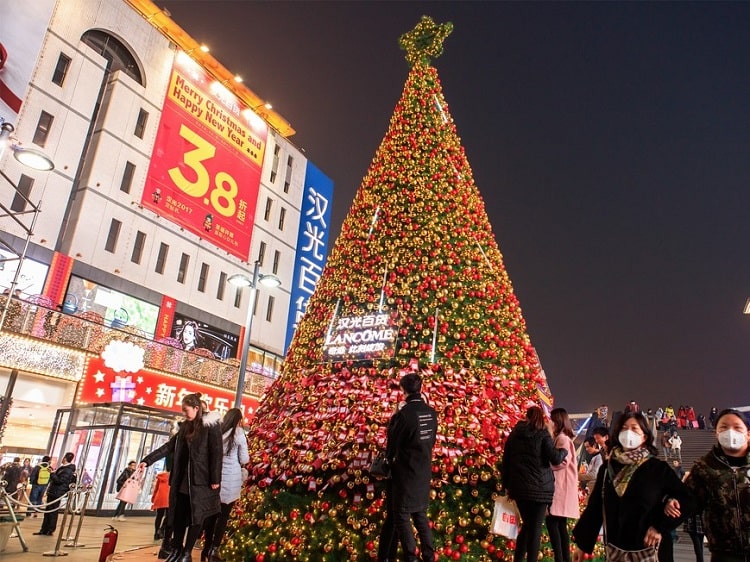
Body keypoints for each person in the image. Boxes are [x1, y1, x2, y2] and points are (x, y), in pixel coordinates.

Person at [571, 412, 694, 562]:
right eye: (624, 428)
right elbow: (595, 507)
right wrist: (583, 545)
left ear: (644, 437)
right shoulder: (607, 469)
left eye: (634, 429)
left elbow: (687, 499)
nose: (628, 432)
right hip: (616, 551)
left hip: (650, 550)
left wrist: (660, 525)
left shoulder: (657, 469)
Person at [140, 393, 222, 562]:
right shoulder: (185, 427)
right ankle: (176, 550)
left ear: (196, 408)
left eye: (186, 410)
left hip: (201, 481)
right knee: (177, 517)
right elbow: (169, 447)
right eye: (182, 410)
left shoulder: (210, 426)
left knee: (196, 517)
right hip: (181, 481)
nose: (184, 413)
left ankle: (186, 552)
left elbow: (216, 453)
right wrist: (147, 461)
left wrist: (215, 479)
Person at [378, 373, 437, 562]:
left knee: (401, 515)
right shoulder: (431, 413)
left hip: (405, 475)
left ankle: (411, 556)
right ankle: (428, 555)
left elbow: (392, 445)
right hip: (423, 472)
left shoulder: (404, 416)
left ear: (403, 390)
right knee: (420, 515)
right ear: (421, 388)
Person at [680, 408, 750, 561]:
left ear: (748, 433)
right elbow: (686, 503)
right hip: (724, 554)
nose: (730, 432)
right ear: (716, 434)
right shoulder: (703, 468)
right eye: (724, 427)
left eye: (737, 427)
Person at [502, 406, 568, 562]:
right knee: (535, 527)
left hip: (519, 490)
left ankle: (518, 559)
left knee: (527, 525)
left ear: (527, 417)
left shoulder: (515, 435)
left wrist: (507, 485)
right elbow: (556, 458)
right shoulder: (543, 434)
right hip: (540, 490)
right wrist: (564, 450)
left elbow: (506, 461)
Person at [201, 408, 250, 562]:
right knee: (223, 517)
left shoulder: (218, 432)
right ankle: (214, 550)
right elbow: (244, 459)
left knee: (211, 516)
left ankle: (206, 548)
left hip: (215, 478)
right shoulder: (239, 433)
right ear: (238, 420)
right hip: (231, 480)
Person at [547, 408, 579, 562]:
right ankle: (564, 558)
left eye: (552, 419)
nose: (549, 422)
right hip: (562, 486)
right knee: (559, 525)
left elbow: (562, 461)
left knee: (553, 523)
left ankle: (560, 558)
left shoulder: (562, 439)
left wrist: (546, 465)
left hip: (560, 487)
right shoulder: (563, 437)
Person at [35, 452, 76, 536]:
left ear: (65, 458)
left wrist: (52, 473)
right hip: (53, 491)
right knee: (48, 511)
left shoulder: (68, 470)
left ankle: (50, 529)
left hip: (58, 492)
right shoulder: (62, 468)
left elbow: (59, 481)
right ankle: (44, 529)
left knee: (53, 511)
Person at [151, 468, 170, 541]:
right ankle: (162, 529)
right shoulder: (174, 476)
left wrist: (153, 498)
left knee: (159, 516)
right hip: (169, 499)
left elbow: (156, 487)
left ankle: (156, 533)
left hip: (160, 498)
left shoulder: (161, 476)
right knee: (169, 516)